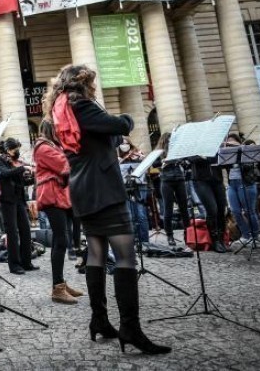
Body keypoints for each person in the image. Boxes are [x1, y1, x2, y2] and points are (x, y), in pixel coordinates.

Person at [48, 64, 170, 355]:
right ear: (83, 83)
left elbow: (109, 136)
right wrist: (125, 118)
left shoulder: (62, 107)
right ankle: (131, 328)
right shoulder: (82, 105)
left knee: (96, 254)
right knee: (126, 257)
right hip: (103, 189)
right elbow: (121, 127)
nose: (94, 87)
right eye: (91, 82)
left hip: (85, 190)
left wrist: (112, 132)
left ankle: (100, 319)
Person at [34, 120, 84, 304]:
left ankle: (60, 282)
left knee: (60, 239)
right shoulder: (43, 147)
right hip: (51, 196)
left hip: (60, 196)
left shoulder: (52, 146)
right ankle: (57, 288)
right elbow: (65, 164)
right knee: (61, 239)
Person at [0, 137, 36, 274]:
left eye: (18, 149)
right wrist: (22, 167)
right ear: (7, 149)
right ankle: (14, 265)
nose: (17, 151)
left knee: (26, 230)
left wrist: (32, 177)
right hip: (7, 201)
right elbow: (5, 173)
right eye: (14, 149)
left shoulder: (16, 162)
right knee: (12, 233)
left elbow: (22, 182)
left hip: (19, 200)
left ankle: (27, 262)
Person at [223, 133, 260, 245]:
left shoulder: (245, 152)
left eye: (232, 143)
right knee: (235, 211)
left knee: (249, 211)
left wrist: (239, 154)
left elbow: (251, 166)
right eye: (228, 144)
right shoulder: (227, 154)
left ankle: (255, 236)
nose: (230, 146)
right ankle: (245, 235)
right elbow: (222, 165)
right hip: (232, 184)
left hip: (246, 183)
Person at [155, 133, 191, 247]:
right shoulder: (159, 152)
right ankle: (170, 236)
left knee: (184, 208)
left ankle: (188, 234)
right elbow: (155, 164)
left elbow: (186, 165)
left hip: (180, 179)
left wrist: (183, 161)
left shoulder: (178, 150)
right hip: (166, 180)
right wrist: (164, 161)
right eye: (169, 141)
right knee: (168, 209)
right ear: (165, 141)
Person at [190, 152, 228, 253]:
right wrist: (204, 156)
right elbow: (190, 158)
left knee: (221, 209)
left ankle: (221, 239)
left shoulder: (216, 143)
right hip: (200, 180)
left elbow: (223, 162)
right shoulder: (194, 143)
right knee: (212, 209)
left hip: (217, 179)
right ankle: (215, 241)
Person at [118, 138, 150, 244]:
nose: (124, 145)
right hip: (126, 187)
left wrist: (141, 159)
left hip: (140, 186)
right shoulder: (117, 157)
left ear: (130, 144)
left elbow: (147, 167)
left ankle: (144, 241)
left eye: (126, 143)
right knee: (130, 215)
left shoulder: (137, 153)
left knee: (141, 215)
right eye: (122, 143)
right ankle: (134, 240)